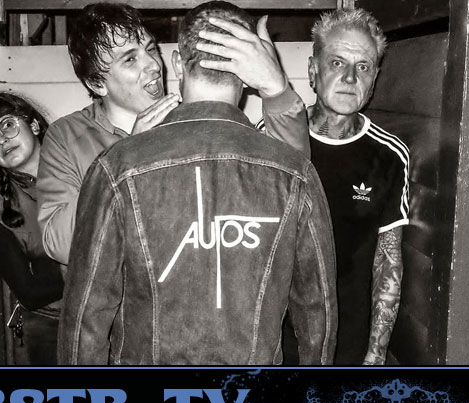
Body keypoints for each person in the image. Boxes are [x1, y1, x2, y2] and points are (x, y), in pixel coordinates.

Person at [58, 1, 337, 366]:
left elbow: (86, 317)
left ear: (177, 63)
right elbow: (318, 309)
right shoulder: (294, 172)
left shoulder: (117, 167)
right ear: (247, 75)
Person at [37, 2, 311, 266]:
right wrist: (129, 153)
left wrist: (276, 90)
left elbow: (290, 182)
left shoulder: (192, 118)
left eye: (150, 49)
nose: (153, 65)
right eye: (130, 59)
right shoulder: (67, 136)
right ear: (97, 83)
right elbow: (58, 244)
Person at [306, 8, 409, 365]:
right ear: (313, 70)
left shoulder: (389, 155)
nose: (350, 77)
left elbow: (388, 262)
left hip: (348, 347)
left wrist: (375, 355)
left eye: (363, 66)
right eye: (337, 62)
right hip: (276, 345)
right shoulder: (273, 138)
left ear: (374, 79)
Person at [0, 92, 64, 365]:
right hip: (51, 326)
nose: (1, 140)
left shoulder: (82, 167)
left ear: (33, 125)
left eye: (7, 125)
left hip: (111, 308)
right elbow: (28, 293)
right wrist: (86, 267)